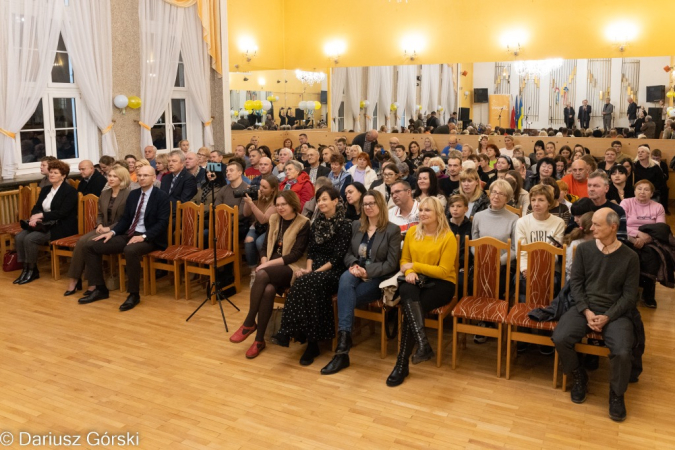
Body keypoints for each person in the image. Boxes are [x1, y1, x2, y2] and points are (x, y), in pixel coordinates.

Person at [552, 208, 638, 422]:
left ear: (613, 227)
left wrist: (607, 316)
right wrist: (587, 311)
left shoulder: (630, 257)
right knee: (560, 337)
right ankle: (579, 375)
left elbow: (629, 296)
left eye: (597, 225)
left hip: (616, 313)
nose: (591, 228)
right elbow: (576, 285)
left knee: (622, 351)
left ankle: (617, 394)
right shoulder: (584, 250)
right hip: (585, 308)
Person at [321, 190, 402, 375]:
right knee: (345, 278)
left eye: (372, 203)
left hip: (377, 278)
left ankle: (342, 349)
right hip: (355, 272)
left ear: (380, 205)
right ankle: (343, 346)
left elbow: (391, 263)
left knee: (346, 297)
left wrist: (367, 271)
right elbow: (348, 253)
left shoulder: (392, 230)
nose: (368, 207)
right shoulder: (356, 225)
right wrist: (355, 265)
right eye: (365, 204)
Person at [273, 187, 352, 365]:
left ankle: (289, 332)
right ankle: (310, 341)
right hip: (315, 269)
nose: (321, 203)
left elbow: (337, 258)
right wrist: (309, 269)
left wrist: (314, 273)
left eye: (325, 199)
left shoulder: (345, 224)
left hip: (334, 271)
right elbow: (311, 252)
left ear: (336, 201)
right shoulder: (316, 223)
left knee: (306, 281)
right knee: (304, 281)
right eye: (319, 200)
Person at [229, 191, 311, 358]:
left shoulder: (304, 223)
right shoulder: (274, 219)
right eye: (278, 204)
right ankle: (259, 341)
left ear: (293, 205)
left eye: (283, 204)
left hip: (292, 266)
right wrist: (265, 261)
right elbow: (265, 245)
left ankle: (250, 321)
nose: (280, 208)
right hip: (272, 266)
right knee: (267, 290)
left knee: (262, 275)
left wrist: (266, 265)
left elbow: (295, 255)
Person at [386, 196, 457, 386]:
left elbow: (443, 271)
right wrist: (409, 271)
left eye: (428, 210)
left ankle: (402, 363)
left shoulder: (447, 237)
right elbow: (403, 262)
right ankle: (420, 348)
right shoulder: (411, 233)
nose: (423, 213)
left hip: (442, 283)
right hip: (416, 279)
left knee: (411, 310)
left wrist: (414, 266)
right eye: (422, 210)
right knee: (409, 294)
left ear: (438, 214)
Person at [80, 165, 170, 311]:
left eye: (145, 175)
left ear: (154, 178)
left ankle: (133, 294)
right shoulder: (133, 195)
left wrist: (144, 237)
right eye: (139, 175)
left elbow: (162, 223)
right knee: (90, 246)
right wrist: (112, 232)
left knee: (130, 250)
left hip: (150, 238)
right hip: (128, 234)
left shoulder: (162, 196)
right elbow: (125, 219)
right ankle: (100, 289)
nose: (141, 178)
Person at [64, 165, 132, 296]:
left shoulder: (129, 194)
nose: (110, 178)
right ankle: (74, 279)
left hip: (119, 230)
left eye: (114, 176)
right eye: (109, 176)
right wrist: (100, 224)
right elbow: (100, 213)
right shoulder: (105, 192)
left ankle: (92, 283)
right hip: (102, 227)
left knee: (90, 242)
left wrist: (109, 228)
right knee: (81, 242)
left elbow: (127, 218)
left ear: (122, 178)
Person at [13, 160, 78, 285]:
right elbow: (36, 207)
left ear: (63, 176)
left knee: (30, 239)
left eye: (55, 173)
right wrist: (35, 217)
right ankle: (26, 268)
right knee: (20, 236)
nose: (51, 175)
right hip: (43, 224)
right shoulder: (45, 189)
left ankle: (32, 271)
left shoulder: (70, 191)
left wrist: (41, 215)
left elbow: (62, 213)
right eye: (51, 172)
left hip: (61, 226)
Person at [471, 179, 519, 344]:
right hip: (481, 262)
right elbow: (473, 241)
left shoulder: (514, 219)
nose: (497, 196)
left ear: (507, 198)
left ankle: (492, 317)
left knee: (496, 278)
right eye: (494, 192)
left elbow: (515, 248)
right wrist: (481, 258)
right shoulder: (478, 216)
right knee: (474, 277)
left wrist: (498, 261)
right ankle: (482, 316)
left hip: (503, 264)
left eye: (502, 194)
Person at [515, 184, 566, 302]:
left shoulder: (559, 222)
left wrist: (540, 269)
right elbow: (521, 250)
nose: (536, 204)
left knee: (553, 282)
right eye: (533, 200)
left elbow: (555, 252)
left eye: (541, 200)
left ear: (549, 202)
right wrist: (525, 268)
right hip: (527, 267)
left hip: (550, 267)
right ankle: (524, 315)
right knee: (522, 283)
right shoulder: (522, 222)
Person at [620, 180, 666, 308]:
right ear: (634, 191)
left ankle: (648, 293)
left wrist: (646, 238)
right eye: (639, 189)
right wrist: (637, 235)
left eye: (646, 189)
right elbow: (620, 224)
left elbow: (661, 228)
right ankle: (629, 292)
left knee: (653, 255)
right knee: (630, 254)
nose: (642, 192)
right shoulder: (626, 203)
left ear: (651, 193)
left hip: (650, 238)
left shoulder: (658, 207)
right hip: (628, 237)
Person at [243, 175, 279, 284]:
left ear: (273, 189)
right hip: (257, 226)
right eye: (260, 186)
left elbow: (263, 219)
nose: (261, 189)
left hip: (271, 227)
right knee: (248, 241)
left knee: (259, 243)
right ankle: (253, 271)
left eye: (265, 187)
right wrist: (250, 200)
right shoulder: (259, 195)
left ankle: (266, 269)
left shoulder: (276, 200)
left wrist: (251, 204)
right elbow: (246, 213)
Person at [563, 211, 594, 282]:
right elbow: (570, 269)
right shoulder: (576, 244)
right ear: (591, 227)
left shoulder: (597, 241)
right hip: (575, 281)